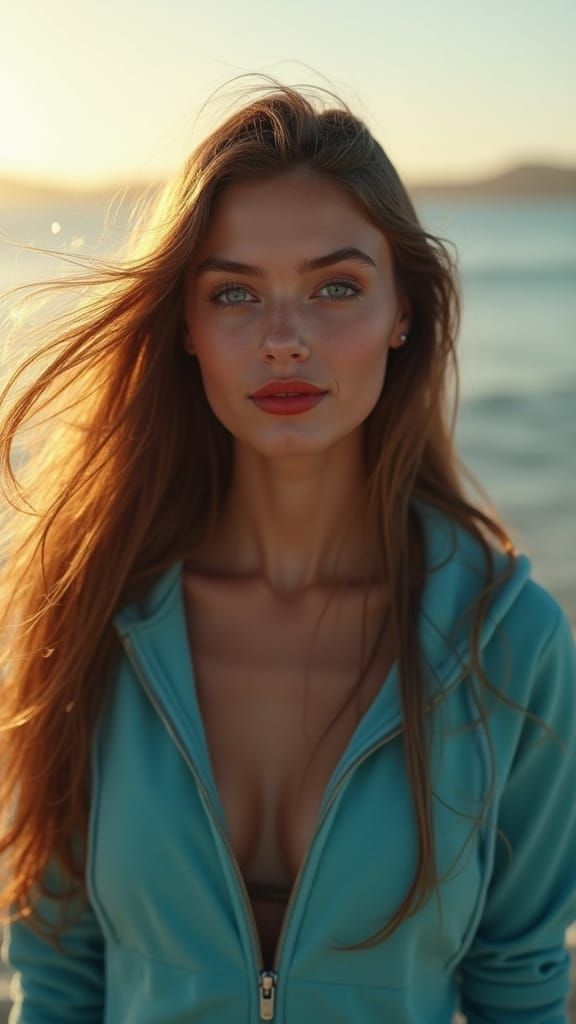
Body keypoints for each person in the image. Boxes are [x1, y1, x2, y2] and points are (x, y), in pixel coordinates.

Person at [0, 76, 575, 1024]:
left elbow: (519, 986)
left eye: (335, 287)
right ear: (185, 327)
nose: (283, 339)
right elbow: (59, 977)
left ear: (404, 312)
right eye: (234, 294)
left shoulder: (507, 643)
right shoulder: (93, 616)